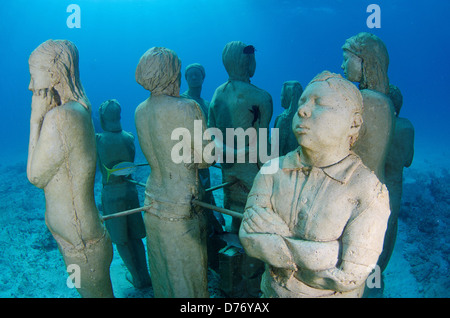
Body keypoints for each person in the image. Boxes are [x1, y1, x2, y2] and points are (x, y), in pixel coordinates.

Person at [239, 71, 391, 298]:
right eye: (302, 101)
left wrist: (276, 239)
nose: (303, 110)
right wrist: (322, 254)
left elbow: (349, 277)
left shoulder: (368, 190)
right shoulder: (271, 170)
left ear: (354, 122)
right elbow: (249, 240)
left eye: (320, 103)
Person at [27, 39, 114, 298]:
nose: (30, 85)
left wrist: (35, 119)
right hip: (79, 238)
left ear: (53, 75)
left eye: (33, 77)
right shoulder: (77, 110)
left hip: (81, 243)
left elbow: (35, 176)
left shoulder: (60, 118)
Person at [135, 47, 211, 298]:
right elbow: (206, 159)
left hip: (152, 201)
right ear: (172, 73)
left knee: (163, 273)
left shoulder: (139, 111)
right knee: (189, 282)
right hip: (182, 205)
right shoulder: (187, 108)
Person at [208, 41, 273, 233]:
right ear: (247, 61)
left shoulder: (217, 94)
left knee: (236, 217)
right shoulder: (261, 97)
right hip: (251, 170)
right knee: (256, 221)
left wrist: (228, 154)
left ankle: (235, 253)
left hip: (227, 168)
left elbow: (212, 132)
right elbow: (263, 144)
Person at [96, 99, 152, 289]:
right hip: (130, 191)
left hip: (111, 194)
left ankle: (136, 278)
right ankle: (145, 275)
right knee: (136, 235)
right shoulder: (129, 137)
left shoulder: (98, 140)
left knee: (121, 239)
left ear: (102, 118)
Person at [181, 63, 225, 270]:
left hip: (206, 161)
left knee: (207, 196)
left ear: (203, 77)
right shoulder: (181, 101)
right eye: (190, 75)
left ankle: (211, 245)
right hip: (188, 160)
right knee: (193, 200)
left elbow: (213, 133)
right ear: (186, 78)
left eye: (197, 74)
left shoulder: (208, 104)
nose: (194, 77)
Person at [341, 32, 396, 184]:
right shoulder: (385, 101)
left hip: (358, 187)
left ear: (365, 60)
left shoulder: (365, 100)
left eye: (346, 60)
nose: (342, 65)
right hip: (375, 184)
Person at [378, 85, 414, 272]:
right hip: (395, 188)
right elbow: (408, 160)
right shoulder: (406, 127)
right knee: (389, 233)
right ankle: (376, 279)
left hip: (376, 184)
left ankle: (368, 281)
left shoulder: (379, 125)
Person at [273, 81, 303, 156]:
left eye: (282, 95)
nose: (281, 98)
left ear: (288, 97)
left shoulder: (283, 119)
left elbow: (276, 148)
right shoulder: (304, 118)